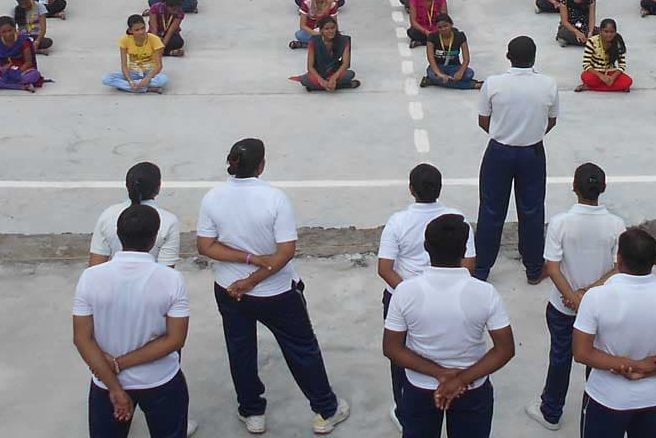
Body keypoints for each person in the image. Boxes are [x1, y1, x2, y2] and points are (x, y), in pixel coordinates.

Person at [196, 138, 352, 435]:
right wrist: (253, 276)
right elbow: (285, 252)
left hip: (228, 290)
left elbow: (206, 246)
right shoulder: (274, 198)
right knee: (302, 349)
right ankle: (325, 410)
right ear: (261, 166)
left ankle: (252, 412)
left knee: (240, 350)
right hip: (275, 292)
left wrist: (244, 266)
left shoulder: (212, 198)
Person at [382, 212, 513, 438]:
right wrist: (460, 379)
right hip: (472, 387)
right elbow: (505, 349)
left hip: (420, 386)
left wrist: (440, 374)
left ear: (426, 247)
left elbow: (392, 348)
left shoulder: (405, 292)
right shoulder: (485, 293)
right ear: (464, 251)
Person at [73, 203, 193, 438]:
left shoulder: (90, 277)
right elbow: (176, 339)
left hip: (105, 382)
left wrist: (115, 385)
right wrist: (120, 364)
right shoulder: (171, 279)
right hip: (160, 380)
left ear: (118, 235)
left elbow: (81, 338)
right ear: (154, 238)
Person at [572, 228, 656, 437]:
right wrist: (651, 368)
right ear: (654, 261)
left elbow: (581, 353)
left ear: (619, 259)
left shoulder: (596, 297)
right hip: (652, 399)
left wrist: (631, 365)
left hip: (606, 397)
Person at [527, 163, 626, 430]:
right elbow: (619, 266)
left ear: (574, 187)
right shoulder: (616, 225)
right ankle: (593, 411)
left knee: (560, 357)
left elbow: (552, 267)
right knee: (595, 358)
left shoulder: (561, 223)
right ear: (602, 189)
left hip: (562, 306)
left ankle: (551, 410)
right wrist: (589, 293)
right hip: (601, 307)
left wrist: (573, 296)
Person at [474, 36, 559, 284]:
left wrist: (504, 133)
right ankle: (533, 269)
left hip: (499, 152)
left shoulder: (493, 84)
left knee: (491, 210)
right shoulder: (548, 85)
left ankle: (481, 270)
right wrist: (529, 134)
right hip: (532, 152)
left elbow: (483, 120)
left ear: (508, 56)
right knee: (532, 211)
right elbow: (551, 121)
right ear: (534, 57)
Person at [0, 16, 46, 91]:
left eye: (10, 30)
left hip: (20, 69)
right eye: (4, 32)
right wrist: (2, 69)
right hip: (1, 69)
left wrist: (17, 71)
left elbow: (28, 62)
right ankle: (21, 87)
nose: (8, 34)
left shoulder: (23, 41)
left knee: (34, 75)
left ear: (15, 29)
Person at [105, 14, 169, 94]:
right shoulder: (124, 40)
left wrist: (147, 79)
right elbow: (124, 65)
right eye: (137, 30)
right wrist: (130, 81)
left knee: (163, 80)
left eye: (143, 28)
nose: (141, 32)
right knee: (107, 79)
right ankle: (147, 89)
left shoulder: (154, 39)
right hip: (133, 71)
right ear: (130, 30)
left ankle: (127, 87)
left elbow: (159, 65)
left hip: (150, 71)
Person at [296, 16, 357, 92]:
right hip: (319, 72)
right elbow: (310, 67)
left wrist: (334, 78)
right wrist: (321, 80)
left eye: (333, 28)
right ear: (321, 30)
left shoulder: (344, 40)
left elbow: (345, 64)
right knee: (304, 80)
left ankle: (317, 87)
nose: (330, 31)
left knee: (350, 74)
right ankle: (343, 86)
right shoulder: (314, 41)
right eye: (327, 29)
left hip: (334, 71)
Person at [577, 18, 632, 93]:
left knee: (628, 81)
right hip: (595, 73)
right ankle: (614, 87)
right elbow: (586, 64)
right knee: (586, 77)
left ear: (615, 32)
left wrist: (612, 77)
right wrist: (601, 76)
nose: (609, 35)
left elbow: (622, 65)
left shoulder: (618, 42)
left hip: (610, 72)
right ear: (600, 31)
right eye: (606, 31)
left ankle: (589, 87)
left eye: (612, 32)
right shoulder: (591, 41)